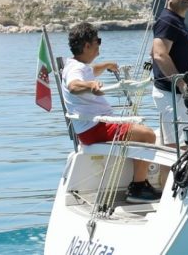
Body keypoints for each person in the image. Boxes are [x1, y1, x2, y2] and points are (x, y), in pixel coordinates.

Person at [61, 22, 161, 204]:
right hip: (95, 128)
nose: (99, 45)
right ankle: (138, 188)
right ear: (87, 45)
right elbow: (74, 85)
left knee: (140, 131)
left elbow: (91, 71)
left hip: (93, 126)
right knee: (148, 135)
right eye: (97, 41)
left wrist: (106, 65)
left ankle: (139, 183)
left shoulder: (76, 65)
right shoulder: (76, 70)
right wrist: (90, 85)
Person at [151, 0, 188, 187]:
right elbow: (160, 54)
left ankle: (169, 189)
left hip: (175, 94)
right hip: (172, 94)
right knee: (176, 147)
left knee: (177, 144)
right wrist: (182, 85)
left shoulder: (175, 20)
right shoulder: (168, 20)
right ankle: (170, 193)